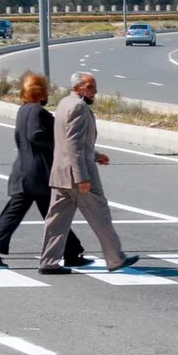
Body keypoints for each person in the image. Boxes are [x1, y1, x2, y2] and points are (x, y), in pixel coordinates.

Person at [0, 72, 88, 269]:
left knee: (52, 213)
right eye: (45, 91)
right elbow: (35, 135)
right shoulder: (38, 112)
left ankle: (72, 250)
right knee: (45, 213)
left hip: (26, 172)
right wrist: (58, 147)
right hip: (35, 174)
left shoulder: (23, 110)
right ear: (39, 93)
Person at [38, 71, 138, 275]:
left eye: (95, 88)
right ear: (77, 88)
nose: (94, 92)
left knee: (56, 221)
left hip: (61, 174)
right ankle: (115, 258)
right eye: (90, 87)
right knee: (100, 215)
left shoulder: (65, 103)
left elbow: (71, 142)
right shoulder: (78, 106)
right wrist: (82, 177)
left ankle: (49, 261)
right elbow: (74, 144)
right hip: (77, 176)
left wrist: (95, 154)